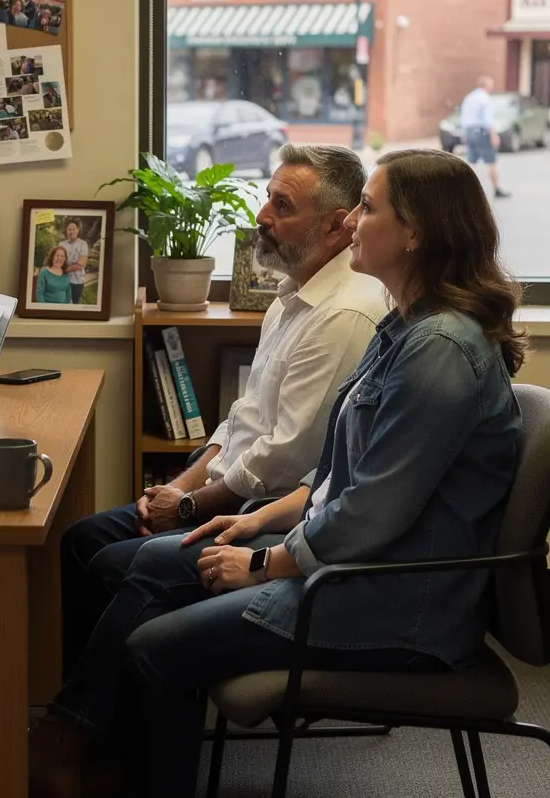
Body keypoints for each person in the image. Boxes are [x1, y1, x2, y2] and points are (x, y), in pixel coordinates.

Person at [32, 149, 525, 798]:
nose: (353, 224)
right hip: (355, 571)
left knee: (154, 648)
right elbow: (337, 473)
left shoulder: (437, 350)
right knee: (149, 567)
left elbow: (372, 511)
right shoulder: (407, 327)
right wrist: (261, 520)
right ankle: (96, 749)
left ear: (415, 235)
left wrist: (265, 564)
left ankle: (82, 746)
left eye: (369, 210)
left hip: (395, 605)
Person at [58, 145, 388, 675]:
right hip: (229, 490)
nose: (261, 215)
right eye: (268, 198)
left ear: (333, 227)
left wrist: (188, 507)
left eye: (283, 206)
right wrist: (183, 488)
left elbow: (283, 458)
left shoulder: (345, 314)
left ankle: (92, 722)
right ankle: (100, 717)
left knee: (119, 562)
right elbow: (241, 417)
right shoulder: (289, 298)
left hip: (269, 512)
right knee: (82, 542)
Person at [460, 75, 509, 199]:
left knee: (471, 161)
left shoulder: (469, 97)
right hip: (482, 133)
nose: (492, 87)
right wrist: (494, 135)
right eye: (491, 85)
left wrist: (465, 134)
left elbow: (464, 117)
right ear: (486, 86)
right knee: (491, 161)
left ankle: (462, 187)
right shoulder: (485, 99)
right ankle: (496, 188)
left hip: (470, 132)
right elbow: (487, 121)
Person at [60, 220, 90, 305]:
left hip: (77, 282)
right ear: (66, 231)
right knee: (62, 303)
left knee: (75, 305)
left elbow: (81, 264)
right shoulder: (61, 245)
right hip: (62, 281)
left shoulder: (83, 244)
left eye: (73, 229)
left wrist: (65, 269)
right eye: (69, 229)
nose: (71, 231)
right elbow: (58, 262)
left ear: (77, 230)